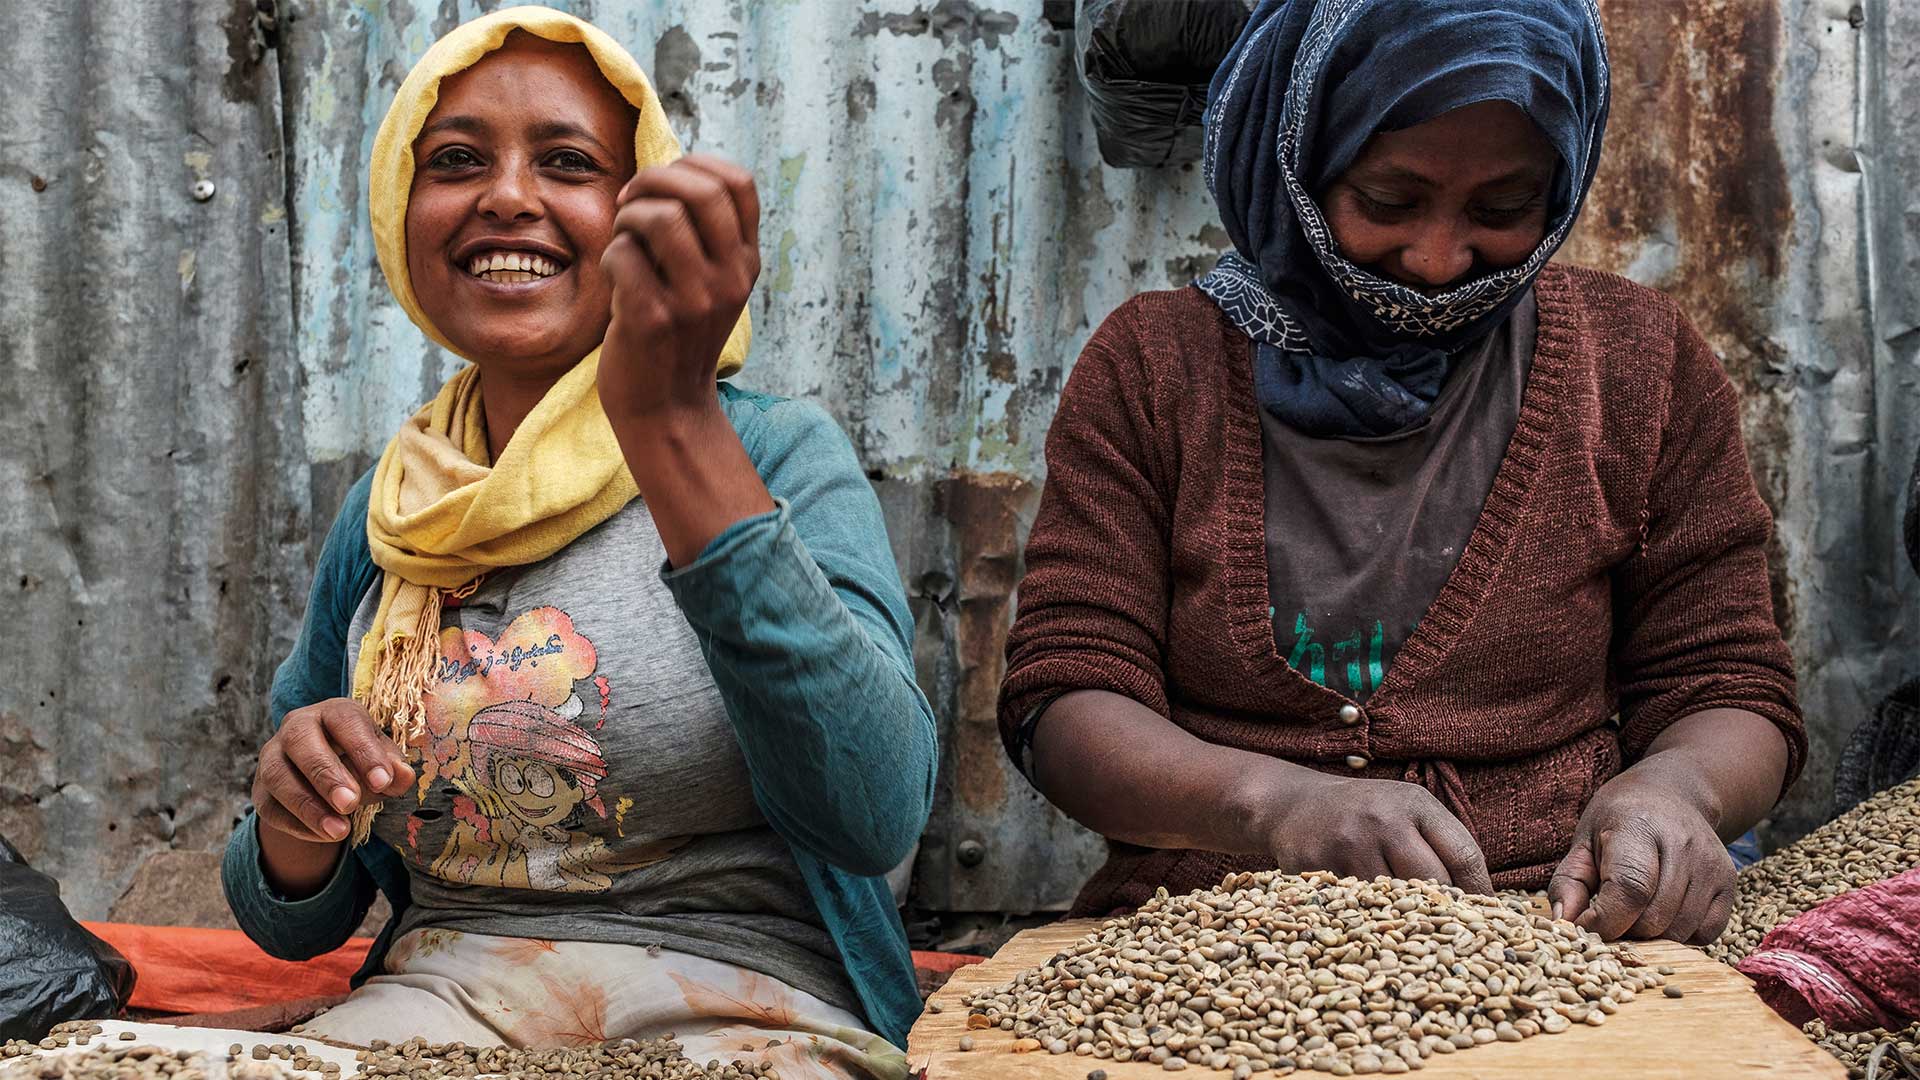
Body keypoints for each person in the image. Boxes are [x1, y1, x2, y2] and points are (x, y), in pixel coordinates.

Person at [999, 0, 1804, 948]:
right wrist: (1270, 805)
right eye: (1387, 202)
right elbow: (1066, 696)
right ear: (1294, 155)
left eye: (1504, 209)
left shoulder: (1637, 363)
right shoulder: (1155, 365)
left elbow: (1728, 680)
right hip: (1209, 934)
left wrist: (1675, 790)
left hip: (1568, 929)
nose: (1438, 259)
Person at [219, 10, 934, 1076]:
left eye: (568, 163)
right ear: (399, 214)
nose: (507, 196)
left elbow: (874, 813)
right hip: (438, 1007)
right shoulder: (396, 507)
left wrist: (675, 423)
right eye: (456, 160)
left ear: (639, 210)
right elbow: (291, 923)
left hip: (747, 1012)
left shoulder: (772, 454)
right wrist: (294, 820)